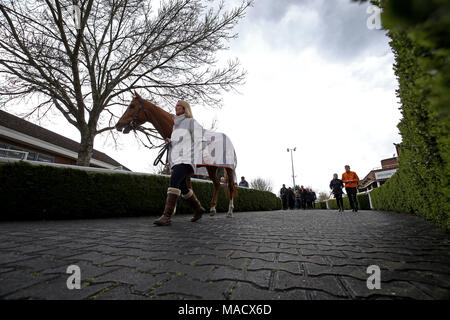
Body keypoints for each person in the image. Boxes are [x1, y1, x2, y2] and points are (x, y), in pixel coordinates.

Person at [154, 100, 206, 226]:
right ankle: (198, 209)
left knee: (174, 181)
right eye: (176, 106)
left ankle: (167, 216)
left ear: (185, 108)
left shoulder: (191, 122)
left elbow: (200, 140)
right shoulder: (175, 126)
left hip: (187, 159)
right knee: (183, 186)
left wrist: (203, 155)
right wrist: (170, 142)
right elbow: (176, 145)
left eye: (179, 106)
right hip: (177, 160)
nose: (176, 107)